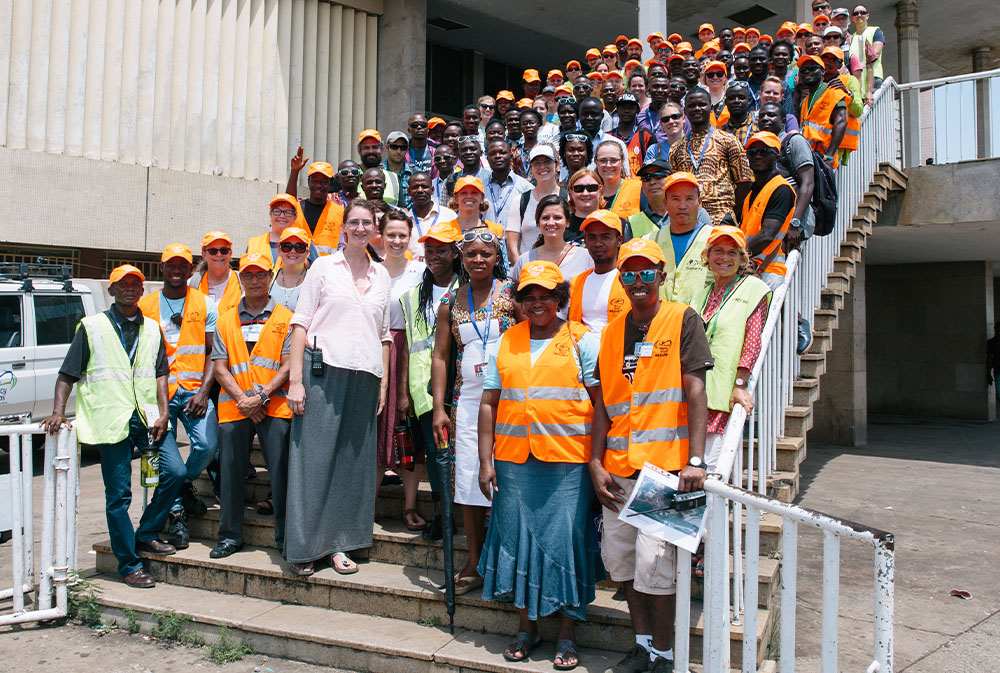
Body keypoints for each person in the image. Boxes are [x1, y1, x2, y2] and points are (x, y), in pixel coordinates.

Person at [589, 237, 712, 673]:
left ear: (662, 276)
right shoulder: (611, 332)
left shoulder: (682, 319)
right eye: (629, 273)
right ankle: (643, 647)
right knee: (622, 567)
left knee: (656, 567)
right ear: (620, 279)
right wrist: (596, 461)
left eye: (646, 272)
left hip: (666, 469)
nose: (637, 281)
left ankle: (665, 654)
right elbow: (604, 405)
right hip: (619, 470)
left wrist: (696, 461)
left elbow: (696, 391)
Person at [478, 261, 604, 670]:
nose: (537, 303)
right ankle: (526, 628)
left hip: (567, 462)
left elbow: (602, 405)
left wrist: (597, 459)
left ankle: (567, 633)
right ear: (518, 301)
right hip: (514, 460)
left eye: (545, 296)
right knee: (517, 540)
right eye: (528, 297)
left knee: (566, 540)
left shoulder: (582, 339)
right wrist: (485, 460)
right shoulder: (506, 340)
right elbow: (488, 403)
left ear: (560, 299)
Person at [41, 265, 181, 588]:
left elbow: (161, 374)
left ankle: (145, 533)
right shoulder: (92, 328)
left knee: (174, 472)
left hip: (147, 418)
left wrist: (163, 412)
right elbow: (67, 375)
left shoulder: (152, 329)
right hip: (111, 418)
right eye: (123, 284)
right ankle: (129, 564)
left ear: (142, 291)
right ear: (112, 290)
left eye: (136, 284)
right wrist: (58, 412)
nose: (130, 289)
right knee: (118, 495)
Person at [284, 199, 392, 577]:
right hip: (323, 374)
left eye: (368, 223)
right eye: (355, 222)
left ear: (375, 230)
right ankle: (304, 548)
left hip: (365, 377)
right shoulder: (323, 268)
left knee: (352, 466)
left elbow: (383, 336)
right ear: (344, 227)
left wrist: (383, 383)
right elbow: (300, 323)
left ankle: (340, 544)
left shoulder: (382, 276)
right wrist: (296, 381)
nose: (362, 228)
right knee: (313, 462)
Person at [431, 226, 518, 596]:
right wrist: (438, 408)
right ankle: (475, 559)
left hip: (511, 399)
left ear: (497, 257)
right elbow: (440, 356)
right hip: (467, 401)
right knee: (468, 481)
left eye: (486, 254)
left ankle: (508, 559)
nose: (478, 260)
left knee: (509, 478)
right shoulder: (451, 302)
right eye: (471, 255)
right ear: (460, 259)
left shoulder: (512, 296)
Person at [210, 252, 293, 559]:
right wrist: (245, 400)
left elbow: (287, 366)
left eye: (260, 274)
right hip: (235, 407)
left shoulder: (285, 317)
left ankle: (285, 536)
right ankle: (230, 536)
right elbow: (220, 367)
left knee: (281, 473)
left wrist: (260, 398)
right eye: (248, 275)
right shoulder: (225, 318)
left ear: (270, 277)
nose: (254, 280)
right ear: (240, 278)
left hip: (274, 406)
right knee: (230, 473)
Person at [139, 243, 219, 550]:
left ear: (190, 270)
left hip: (192, 390)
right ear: (162, 268)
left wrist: (203, 391)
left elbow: (213, 352)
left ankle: (184, 484)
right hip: (156, 395)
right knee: (164, 461)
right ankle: (175, 513)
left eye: (182, 266)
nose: (176, 270)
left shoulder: (204, 303)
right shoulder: (145, 306)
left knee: (208, 444)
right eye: (170, 265)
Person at [399, 222, 462, 540]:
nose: (435, 255)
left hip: (462, 387)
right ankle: (443, 514)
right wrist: (403, 392)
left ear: (454, 252)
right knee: (438, 456)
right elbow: (410, 344)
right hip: (424, 390)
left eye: (442, 249)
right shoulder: (412, 296)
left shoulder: (467, 289)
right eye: (430, 249)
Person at [690, 226, 772, 467]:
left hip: (725, 396)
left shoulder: (754, 289)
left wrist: (740, 385)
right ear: (707, 255)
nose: (724, 258)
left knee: (713, 470)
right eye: (718, 250)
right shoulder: (700, 296)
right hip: (695, 395)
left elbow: (752, 341)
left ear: (742, 259)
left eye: (732, 252)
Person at [375, 209, 429, 532]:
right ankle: (367, 506)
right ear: (380, 236)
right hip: (376, 352)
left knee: (407, 432)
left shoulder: (420, 272)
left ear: (410, 237)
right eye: (391, 234)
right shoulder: (370, 271)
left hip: (410, 353)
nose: (396, 240)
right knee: (377, 431)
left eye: (402, 235)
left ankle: (410, 507)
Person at [669, 88, 753, 225]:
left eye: (702, 104)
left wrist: (730, 213)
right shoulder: (676, 148)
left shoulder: (728, 140)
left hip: (721, 216)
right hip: (689, 218)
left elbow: (744, 181)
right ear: (685, 111)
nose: (697, 108)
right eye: (691, 106)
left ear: (711, 108)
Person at [726, 132, 796, 290]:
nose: (757, 155)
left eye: (764, 151)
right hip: (749, 269)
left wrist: (733, 255)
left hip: (767, 271)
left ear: (777, 156)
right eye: (752, 152)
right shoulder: (752, 192)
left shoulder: (781, 189)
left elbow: (767, 235)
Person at [636, 170, 715, 305]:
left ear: (699, 203)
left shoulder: (715, 240)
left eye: (689, 199)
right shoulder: (649, 241)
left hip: (700, 322)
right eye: (675, 199)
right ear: (665, 203)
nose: (682, 206)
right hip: (660, 322)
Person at [758, 102, 814, 245]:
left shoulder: (794, 142)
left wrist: (794, 224)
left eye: (771, 115)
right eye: (762, 116)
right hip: (772, 221)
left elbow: (808, 183)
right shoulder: (759, 148)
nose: (765, 118)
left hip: (794, 225)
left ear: (783, 121)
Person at [568, 209, 629, 334]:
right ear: (585, 241)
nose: (598, 243)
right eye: (592, 237)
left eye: (605, 237)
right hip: (582, 350)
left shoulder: (629, 279)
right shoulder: (578, 281)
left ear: (619, 241)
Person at [511, 195, 593, 283]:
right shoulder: (524, 260)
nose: (551, 223)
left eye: (557, 217)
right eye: (545, 218)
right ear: (538, 222)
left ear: (568, 222)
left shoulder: (585, 258)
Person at [284, 152, 347, 254]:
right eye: (314, 181)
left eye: (324, 182)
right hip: (299, 267)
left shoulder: (340, 213)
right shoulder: (297, 209)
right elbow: (288, 203)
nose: (318, 185)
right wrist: (294, 172)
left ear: (331, 184)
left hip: (329, 268)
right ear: (308, 182)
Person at [506, 145, 561, 262]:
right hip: (529, 272)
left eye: (547, 162)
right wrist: (522, 272)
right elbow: (512, 244)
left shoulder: (568, 198)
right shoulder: (521, 200)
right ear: (531, 169)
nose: (542, 167)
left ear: (557, 166)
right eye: (536, 163)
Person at [796, 54, 849, 168]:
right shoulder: (804, 102)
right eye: (803, 69)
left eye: (812, 68)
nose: (807, 71)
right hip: (807, 159)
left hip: (824, 159)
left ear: (822, 72)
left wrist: (830, 155)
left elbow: (841, 122)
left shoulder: (833, 92)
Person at [247, 194, 315, 271]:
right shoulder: (254, 243)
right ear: (270, 214)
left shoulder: (307, 244)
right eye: (277, 211)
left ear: (295, 217)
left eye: (288, 212)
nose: (282, 216)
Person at [821, 46, 863, 165]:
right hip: (818, 142)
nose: (827, 62)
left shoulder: (849, 80)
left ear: (840, 65)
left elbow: (858, 110)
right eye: (825, 58)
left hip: (839, 144)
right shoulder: (816, 81)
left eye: (833, 59)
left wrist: (847, 92)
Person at [483, 139, 532, 231]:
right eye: (492, 153)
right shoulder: (480, 189)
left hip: (517, 243)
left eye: (502, 152)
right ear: (487, 158)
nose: (497, 156)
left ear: (510, 156)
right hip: (488, 243)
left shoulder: (526, 188)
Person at [408, 172, 458, 260]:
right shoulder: (404, 221)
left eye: (424, 186)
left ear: (432, 190)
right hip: (414, 272)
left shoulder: (449, 216)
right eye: (415, 187)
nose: (420, 190)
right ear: (408, 192)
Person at [191, 231, 242, 314]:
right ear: (204, 255)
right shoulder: (193, 284)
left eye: (224, 250)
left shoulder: (243, 283)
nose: (219, 254)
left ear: (230, 253)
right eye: (213, 251)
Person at [613, 92, 656, 177]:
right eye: (623, 108)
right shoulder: (609, 136)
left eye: (631, 108)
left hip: (639, 187)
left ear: (638, 110)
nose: (626, 111)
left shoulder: (646, 136)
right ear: (617, 110)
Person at [595, 140, 642, 219]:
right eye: (603, 160)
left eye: (614, 160)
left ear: (622, 161)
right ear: (596, 162)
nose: (608, 165)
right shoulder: (590, 192)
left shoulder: (639, 188)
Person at [269, 226, 312, 312]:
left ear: (307, 252)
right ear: (279, 250)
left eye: (299, 247)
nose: (293, 251)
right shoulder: (268, 279)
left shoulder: (315, 280)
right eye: (287, 246)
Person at [848, 4, 884, 103]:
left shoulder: (875, 31)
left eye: (862, 12)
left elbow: (875, 53)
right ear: (852, 18)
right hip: (858, 79)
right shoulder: (851, 37)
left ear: (867, 16)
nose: (859, 15)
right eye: (856, 13)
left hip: (874, 77)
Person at [357, 129, 401, 205]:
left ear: (381, 149)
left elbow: (403, 208)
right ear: (359, 151)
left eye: (374, 147)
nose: (371, 151)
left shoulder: (393, 178)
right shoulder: (350, 176)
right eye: (366, 148)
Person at [564, 169, 606, 244]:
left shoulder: (613, 222)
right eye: (579, 189)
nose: (585, 193)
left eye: (592, 188)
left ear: (601, 191)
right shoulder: (562, 226)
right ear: (570, 192)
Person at [636, 74, 673, 143]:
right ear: (649, 90)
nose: (659, 90)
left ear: (670, 91)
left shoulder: (676, 116)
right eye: (656, 87)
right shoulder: (640, 116)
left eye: (664, 87)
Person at [384, 131, 414, 208]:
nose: (398, 151)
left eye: (402, 148)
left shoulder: (415, 173)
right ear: (387, 147)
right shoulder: (379, 173)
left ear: (407, 149)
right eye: (394, 147)